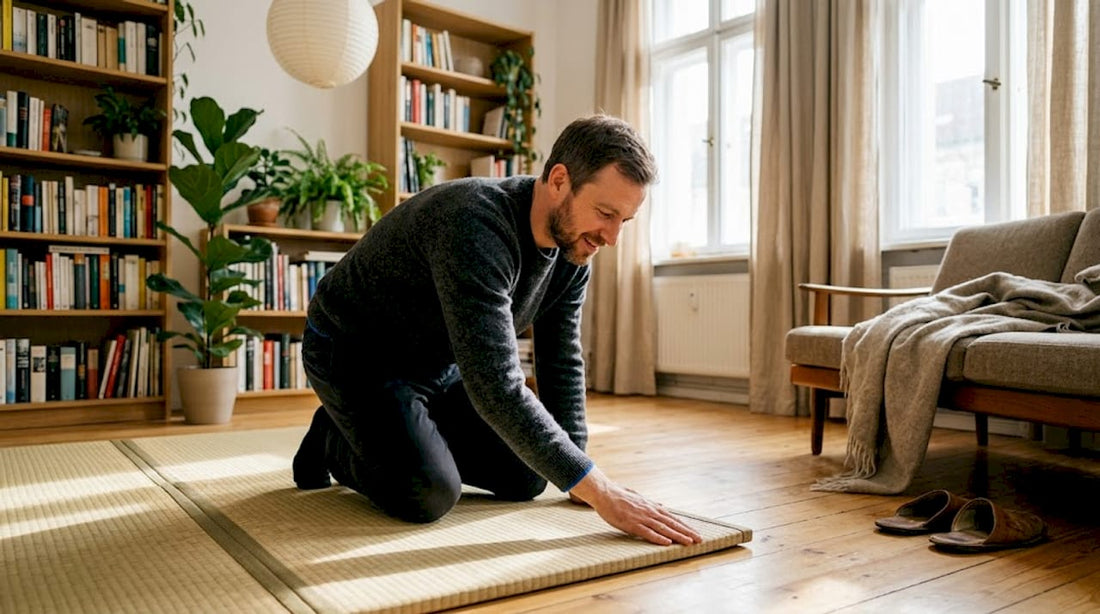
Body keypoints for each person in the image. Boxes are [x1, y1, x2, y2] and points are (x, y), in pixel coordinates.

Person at [292, 115, 702, 547]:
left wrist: (581, 472)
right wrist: (600, 490)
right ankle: (331, 439)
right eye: (605, 214)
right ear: (559, 180)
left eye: (625, 221)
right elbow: (496, 385)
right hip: (355, 352)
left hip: (440, 362)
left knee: (528, 476)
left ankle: (392, 430)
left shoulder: (573, 248)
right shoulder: (474, 223)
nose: (612, 238)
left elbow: (561, 358)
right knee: (428, 492)